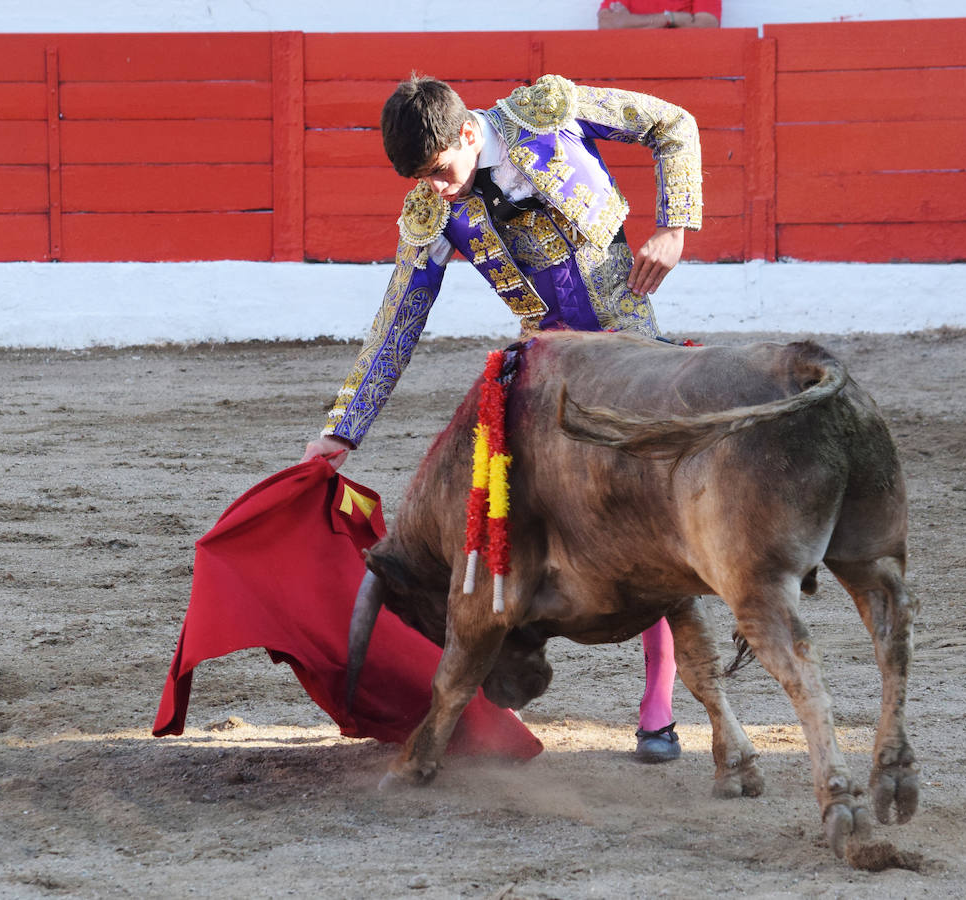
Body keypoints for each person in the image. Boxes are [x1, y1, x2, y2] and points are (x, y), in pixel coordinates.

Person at [301, 74, 703, 763]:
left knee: (655, 510)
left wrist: (674, 226)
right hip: (548, 365)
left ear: (466, 133)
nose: (434, 187)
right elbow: (399, 317)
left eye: (437, 170)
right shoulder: (433, 214)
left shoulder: (550, 114)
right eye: (420, 178)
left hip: (631, 349)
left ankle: (659, 705)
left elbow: (675, 123)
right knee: (492, 503)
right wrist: (343, 427)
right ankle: (483, 675)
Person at [597, 0, 720, 30]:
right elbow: (607, 23)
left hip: (681, 65)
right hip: (629, 65)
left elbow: (707, 24)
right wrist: (670, 18)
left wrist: (630, 22)